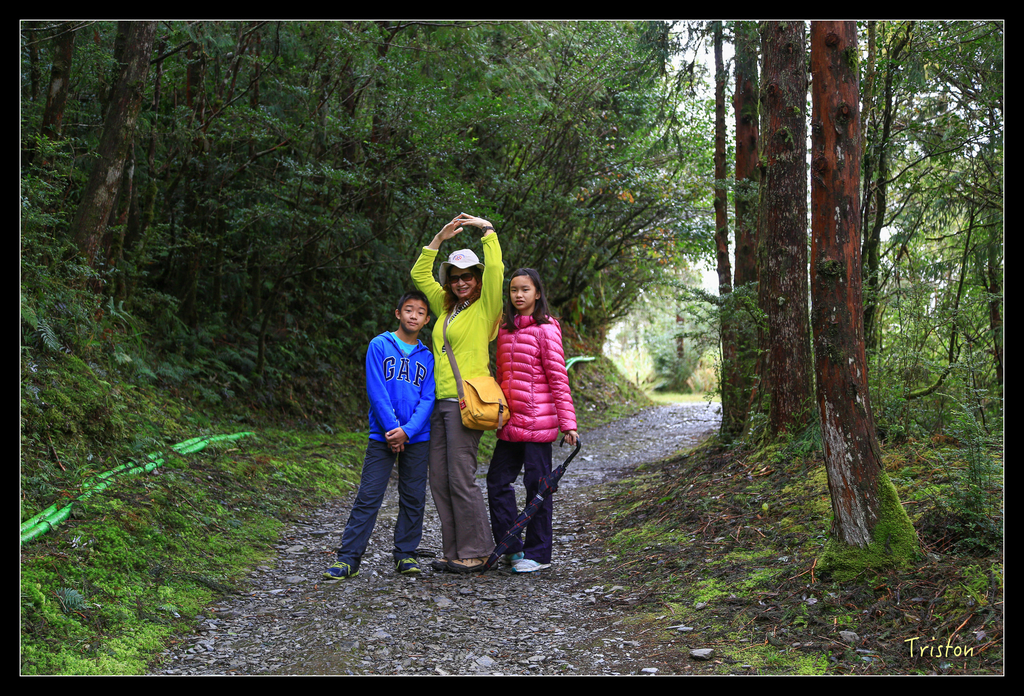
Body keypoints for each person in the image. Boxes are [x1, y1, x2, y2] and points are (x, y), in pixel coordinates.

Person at [410, 213, 503, 573]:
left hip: (466, 403)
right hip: (438, 403)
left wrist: (487, 231)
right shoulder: (446, 308)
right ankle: (454, 551)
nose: (462, 282)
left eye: (468, 276)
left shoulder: (485, 308)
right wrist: (437, 239)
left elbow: (496, 272)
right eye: (456, 277)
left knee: (460, 478)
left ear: (477, 279)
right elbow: (420, 275)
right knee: (439, 477)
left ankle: (477, 551)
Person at [324, 290, 435, 579]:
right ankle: (348, 558)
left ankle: (406, 554)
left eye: (420, 312)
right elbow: (376, 391)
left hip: (417, 438)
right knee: (368, 496)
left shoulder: (428, 357)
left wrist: (408, 432)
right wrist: (392, 429)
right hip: (382, 436)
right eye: (408, 310)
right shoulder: (379, 345)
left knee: (413, 497)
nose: (414, 315)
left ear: (426, 320)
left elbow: (428, 398)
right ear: (398, 313)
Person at [487, 268, 577, 573]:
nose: (519, 295)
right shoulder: (504, 329)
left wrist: (568, 424)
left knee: (537, 487)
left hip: (538, 423)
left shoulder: (546, 328)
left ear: (537, 293)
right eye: (513, 290)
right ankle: (512, 546)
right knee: (497, 482)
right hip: (510, 423)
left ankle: (539, 554)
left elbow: (558, 378)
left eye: (525, 289)